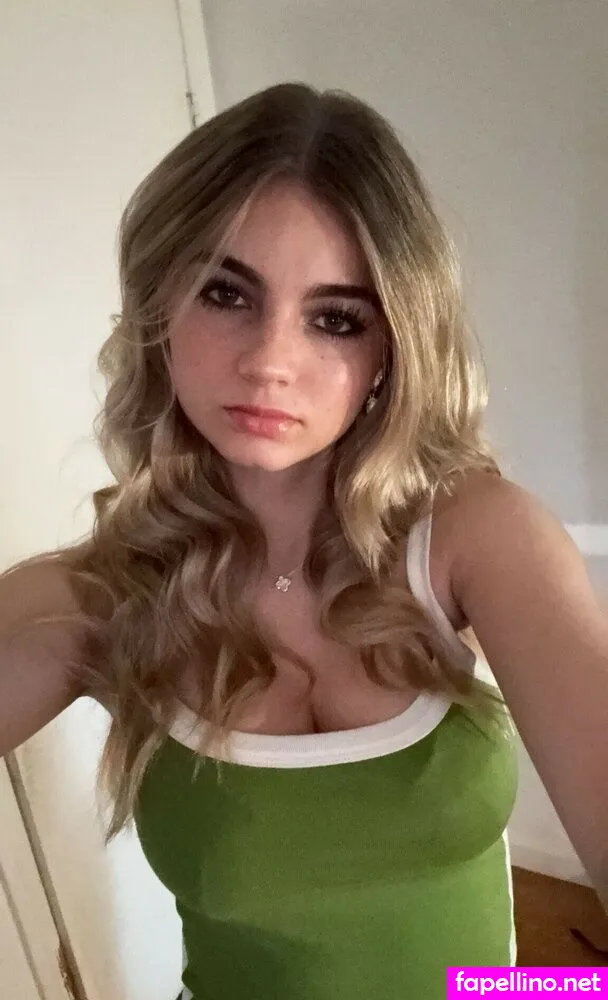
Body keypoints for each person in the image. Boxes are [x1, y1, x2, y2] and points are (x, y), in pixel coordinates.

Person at [1, 82, 606, 999]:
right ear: (160, 304)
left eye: (335, 318)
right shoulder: (107, 596)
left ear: (391, 349)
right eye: (226, 294)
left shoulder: (476, 540)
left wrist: (563, 991)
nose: (269, 362)